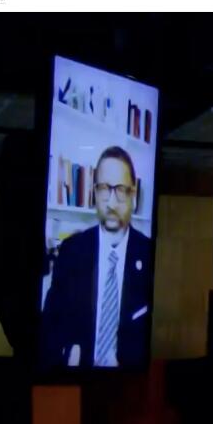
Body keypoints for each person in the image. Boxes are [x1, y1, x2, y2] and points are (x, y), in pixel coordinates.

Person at [40, 146, 153, 367]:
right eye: (104, 188)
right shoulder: (71, 251)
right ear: (94, 192)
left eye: (120, 189)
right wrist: (66, 353)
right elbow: (48, 328)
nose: (111, 203)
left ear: (133, 194)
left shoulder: (149, 254)